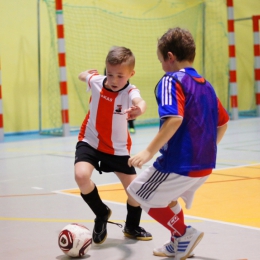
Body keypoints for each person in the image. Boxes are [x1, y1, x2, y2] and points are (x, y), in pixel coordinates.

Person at [127, 27, 229, 260]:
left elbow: (174, 119)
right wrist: (208, 149)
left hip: (178, 163)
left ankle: (184, 233)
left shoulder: (170, 80)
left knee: (138, 192)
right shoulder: (207, 85)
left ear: (170, 57)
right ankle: (177, 242)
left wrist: (148, 151)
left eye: (161, 60)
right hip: (206, 165)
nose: (162, 65)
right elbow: (223, 123)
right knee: (166, 199)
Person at [75, 46, 152, 245]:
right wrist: (86, 74)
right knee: (81, 176)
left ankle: (131, 226)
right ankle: (101, 214)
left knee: (136, 192)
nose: (114, 80)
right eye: (110, 74)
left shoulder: (130, 91)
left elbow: (140, 101)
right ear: (105, 71)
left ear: (131, 74)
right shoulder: (97, 81)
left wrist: (139, 110)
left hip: (117, 149)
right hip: (90, 140)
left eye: (120, 75)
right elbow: (83, 76)